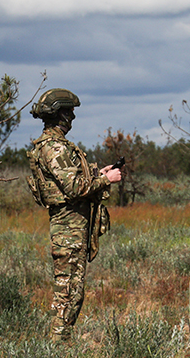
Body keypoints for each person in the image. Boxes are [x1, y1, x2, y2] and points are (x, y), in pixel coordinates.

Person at [26, 88, 122, 341]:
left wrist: (99, 175)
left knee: (71, 291)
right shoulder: (55, 148)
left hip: (71, 228)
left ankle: (60, 343)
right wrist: (106, 180)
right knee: (68, 293)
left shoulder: (52, 146)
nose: (73, 117)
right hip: (68, 230)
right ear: (59, 114)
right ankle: (58, 345)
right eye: (69, 112)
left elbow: (72, 182)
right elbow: (74, 188)